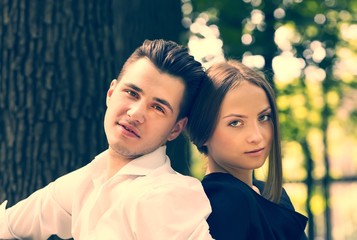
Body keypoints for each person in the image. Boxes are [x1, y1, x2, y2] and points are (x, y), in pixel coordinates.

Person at [0, 39, 213, 240]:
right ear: (111, 93)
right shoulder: (88, 180)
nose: (135, 114)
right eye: (131, 93)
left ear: (175, 129)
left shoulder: (168, 195)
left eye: (158, 108)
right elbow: (7, 225)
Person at [187, 59, 308, 240]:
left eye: (264, 117)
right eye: (235, 123)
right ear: (203, 130)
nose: (257, 136)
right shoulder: (225, 201)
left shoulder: (269, 193)